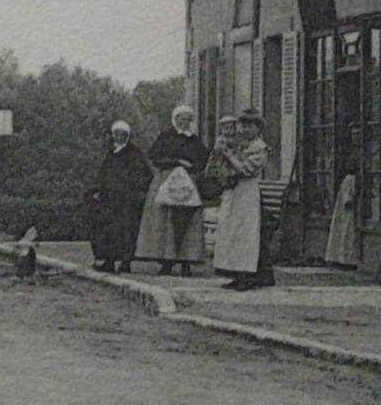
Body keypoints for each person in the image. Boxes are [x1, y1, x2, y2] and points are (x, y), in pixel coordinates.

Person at [135, 105, 209, 277]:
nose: (185, 123)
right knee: (164, 222)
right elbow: (155, 157)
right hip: (165, 181)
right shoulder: (165, 137)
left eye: (188, 120)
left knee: (189, 223)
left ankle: (186, 262)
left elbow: (203, 160)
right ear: (175, 119)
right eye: (182, 119)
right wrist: (176, 161)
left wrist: (193, 167)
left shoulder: (194, 141)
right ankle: (165, 262)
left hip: (187, 185)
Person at [214, 108, 271, 291]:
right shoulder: (240, 144)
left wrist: (229, 157)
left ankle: (248, 275)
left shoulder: (259, 148)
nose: (245, 129)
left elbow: (247, 170)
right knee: (232, 231)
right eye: (243, 125)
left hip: (247, 192)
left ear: (258, 128)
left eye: (250, 126)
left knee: (246, 233)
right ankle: (235, 272)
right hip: (234, 191)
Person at [89, 120, 153, 274]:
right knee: (108, 231)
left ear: (127, 136)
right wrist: (97, 190)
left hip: (126, 200)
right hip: (109, 199)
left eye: (122, 134)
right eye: (116, 134)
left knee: (126, 231)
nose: (119, 137)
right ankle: (109, 262)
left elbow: (143, 176)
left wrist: (134, 191)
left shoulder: (134, 154)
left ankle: (126, 262)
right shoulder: (111, 153)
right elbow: (102, 175)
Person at [325, 157, 359, 269]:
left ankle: (341, 258)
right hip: (348, 212)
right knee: (347, 233)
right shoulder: (350, 179)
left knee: (345, 233)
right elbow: (347, 198)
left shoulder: (348, 179)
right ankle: (345, 260)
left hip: (346, 211)